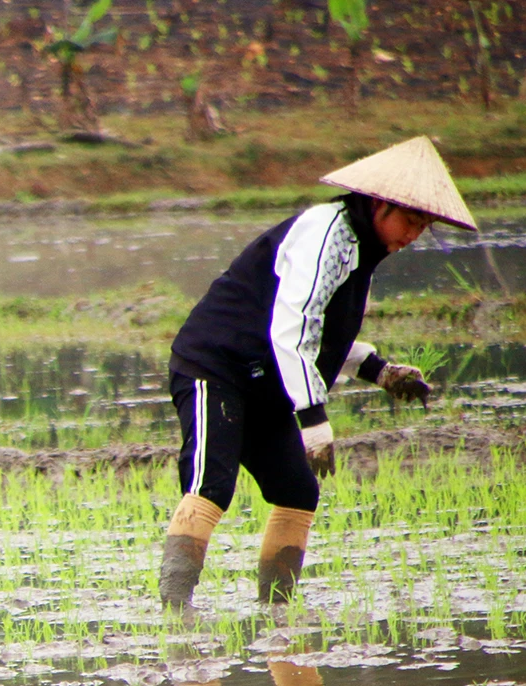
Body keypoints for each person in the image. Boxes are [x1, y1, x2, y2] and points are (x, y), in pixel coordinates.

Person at [160, 137, 478, 611]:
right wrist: (314, 420)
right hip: (217, 366)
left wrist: (378, 369)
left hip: (266, 380)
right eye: (410, 221)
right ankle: (174, 615)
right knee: (211, 484)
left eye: (424, 226)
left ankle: (278, 614)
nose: (413, 236)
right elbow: (294, 328)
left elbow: (323, 336)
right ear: (379, 204)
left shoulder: (361, 249)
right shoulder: (327, 235)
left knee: (297, 491)